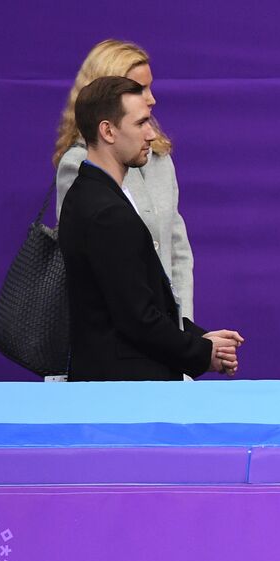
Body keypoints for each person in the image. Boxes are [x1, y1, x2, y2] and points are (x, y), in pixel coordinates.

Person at [58, 77, 243, 381]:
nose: (151, 133)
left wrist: (201, 339)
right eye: (141, 122)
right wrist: (201, 353)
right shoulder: (107, 213)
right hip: (125, 395)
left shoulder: (88, 194)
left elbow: (138, 305)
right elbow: (137, 319)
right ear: (108, 131)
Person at [54, 40, 194, 323]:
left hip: (166, 339)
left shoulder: (160, 158)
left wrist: (183, 332)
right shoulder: (79, 165)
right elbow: (93, 264)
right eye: (139, 89)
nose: (151, 99)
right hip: (118, 342)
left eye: (150, 87)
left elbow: (177, 250)